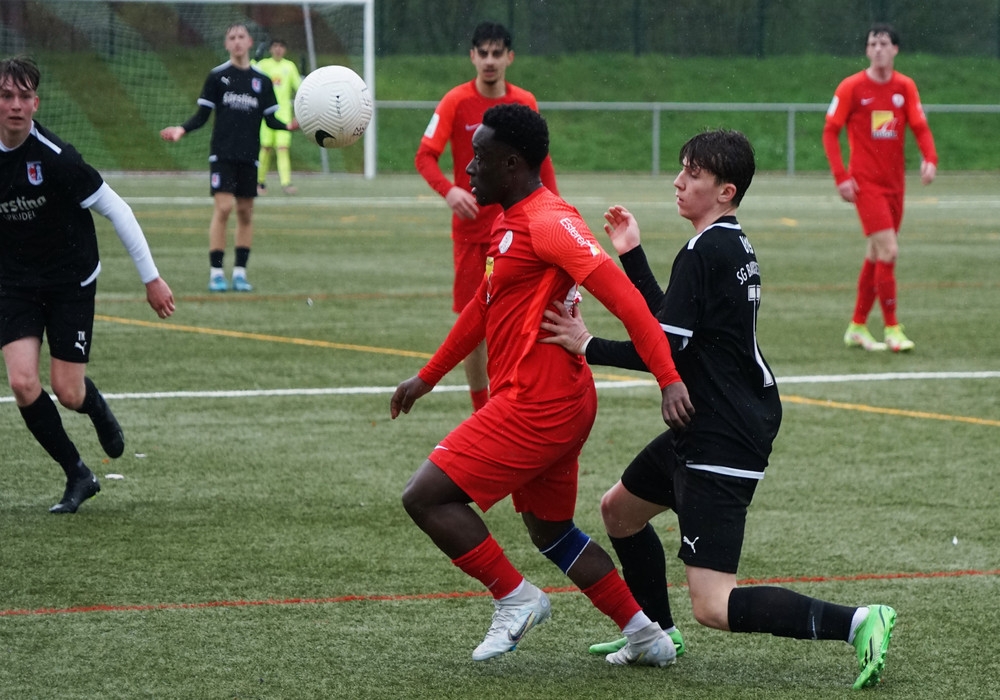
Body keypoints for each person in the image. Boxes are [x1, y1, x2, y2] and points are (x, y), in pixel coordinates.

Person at [541, 129, 897, 690]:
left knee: (713, 604)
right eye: (681, 170)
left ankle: (858, 622)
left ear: (725, 191)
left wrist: (587, 345)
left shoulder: (706, 249)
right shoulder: (726, 243)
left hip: (723, 432)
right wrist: (632, 254)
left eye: (693, 174)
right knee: (619, 511)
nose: (678, 183)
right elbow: (674, 326)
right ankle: (656, 634)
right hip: (708, 418)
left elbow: (666, 347)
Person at [392, 104, 694, 666]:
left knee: (425, 497)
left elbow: (630, 305)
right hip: (553, 400)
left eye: (479, 157)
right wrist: (427, 377)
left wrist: (669, 379)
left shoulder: (549, 222)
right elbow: (482, 307)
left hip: (539, 404)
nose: (469, 169)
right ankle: (646, 636)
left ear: (511, 163)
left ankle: (515, 597)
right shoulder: (509, 219)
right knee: (550, 530)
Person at [0, 56, 175, 513]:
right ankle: (77, 473)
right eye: (6, 96)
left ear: (36, 104)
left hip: (69, 280)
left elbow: (118, 209)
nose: (15, 105)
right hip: (15, 282)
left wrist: (152, 279)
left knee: (68, 391)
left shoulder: (58, 158)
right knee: (22, 383)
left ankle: (93, 405)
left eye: (23, 97)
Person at [415, 21, 559, 413]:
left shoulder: (524, 102)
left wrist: (555, 209)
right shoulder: (455, 101)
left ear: (510, 57)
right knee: (474, 324)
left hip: (523, 231)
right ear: (472, 57)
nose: (490, 60)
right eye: (483, 53)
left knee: (529, 318)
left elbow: (541, 163)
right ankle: (484, 409)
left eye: (497, 53)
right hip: (473, 235)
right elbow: (425, 156)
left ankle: (525, 396)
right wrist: (450, 191)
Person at [823, 22, 937, 352]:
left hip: (895, 185)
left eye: (884, 43)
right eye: (873, 44)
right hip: (866, 184)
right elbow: (830, 132)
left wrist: (930, 158)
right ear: (866, 50)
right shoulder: (851, 87)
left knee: (876, 255)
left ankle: (857, 326)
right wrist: (841, 177)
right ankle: (892, 329)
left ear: (895, 49)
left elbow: (920, 126)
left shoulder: (905, 86)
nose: (878, 49)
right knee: (889, 251)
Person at [160, 23, 297, 293]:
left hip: (249, 155)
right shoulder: (217, 77)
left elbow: (271, 120)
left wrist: (289, 126)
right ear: (226, 44)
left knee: (245, 212)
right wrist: (181, 130)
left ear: (250, 42)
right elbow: (202, 116)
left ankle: (240, 273)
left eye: (241, 37)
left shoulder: (262, 80)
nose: (236, 41)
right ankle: (216, 273)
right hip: (222, 154)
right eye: (231, 37)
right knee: (223, 208)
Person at [253, 39, 302, 195]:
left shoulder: (289, 66)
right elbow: (250, 72)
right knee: (265, 148)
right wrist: (256, 57)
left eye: (281, 46)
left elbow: (300, 88)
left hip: (284, 116)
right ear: (270, 49)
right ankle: (259, 183)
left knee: (282, 149)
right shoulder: (264, 64)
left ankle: (286, 183)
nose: (278, 49)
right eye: (275, 46)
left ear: (285, 50)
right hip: (266, 115)